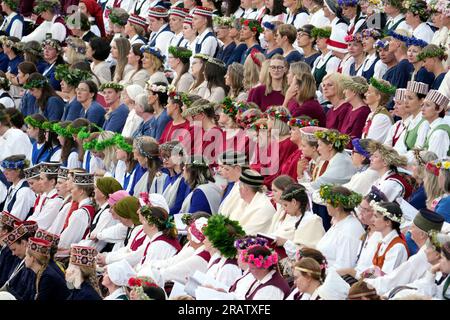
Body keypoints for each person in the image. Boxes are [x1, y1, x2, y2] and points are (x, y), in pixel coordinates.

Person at [365, 209, 444, 296]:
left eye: (413, 227)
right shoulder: (432, 251)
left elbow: (393, 280)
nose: (409, 230)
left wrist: (365, 284)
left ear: (422, 235)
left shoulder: (422, 256)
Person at [316, 184, 365, 269]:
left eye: (327, 203)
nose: (326, 205)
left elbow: (344, 266)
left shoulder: (349, 230)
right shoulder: (340, 222)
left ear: (337, 207)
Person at [275, 184, 325, 255]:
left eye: (285, 205)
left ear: (294, 202)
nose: (284, 208)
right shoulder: (293, 218)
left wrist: (285, 243)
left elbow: (309, 253)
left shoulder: (313, 220)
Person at [78, 176, 123, 252]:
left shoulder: (108, 213)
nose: (94, 190)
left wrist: (74, 250)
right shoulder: (102, 210)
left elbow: (96, 244)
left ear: (103, 193)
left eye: (96, 188)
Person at [135, 206, 181, 275]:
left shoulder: (159, 245)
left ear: (152, 225)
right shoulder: (160, 240)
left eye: (144, 221)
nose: (142, 225)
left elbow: (148, 273)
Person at [57, 172, 96, 255]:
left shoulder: (80, 213)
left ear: (81, 191)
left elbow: (65, 242)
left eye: (73, 188)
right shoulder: (89, 207)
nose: (70, 190)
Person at [227, 169, 275, 235]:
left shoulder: (263, 208)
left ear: (246, 189)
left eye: (240, 186)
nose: (239, 189)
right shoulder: (244, 201)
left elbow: (247, 234)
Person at [203, 214, 245, 287]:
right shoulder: (221, 260)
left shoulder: (229, 268)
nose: (203, 241)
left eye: (206, 238)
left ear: (215, 242)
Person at [368, 201, 409, 275]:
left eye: (376, 216)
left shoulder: (397, 247)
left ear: (388, 222)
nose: (372, 219)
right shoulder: (383, 241)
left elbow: (385, 278)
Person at [1, 221, 38, 300]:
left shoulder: (32, 266)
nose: (13, 254)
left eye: (14, 249)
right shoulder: (19, 257)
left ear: (24, 243)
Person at [28, 162, 64, 231]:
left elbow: (41, 224)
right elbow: (34, 216)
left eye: (41, 179)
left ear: (52, 181)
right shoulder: (44, 196)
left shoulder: (57, 201)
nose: (39, 182)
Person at [159, 141, 190, 215]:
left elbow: (178, 206)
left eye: (167, 157)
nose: (164, 160)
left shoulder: (184, 179)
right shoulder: (169, 178)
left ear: (179, 156)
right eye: (163, 157)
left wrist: (160, 215)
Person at [0, 155, 35, 220]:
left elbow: (15, 219)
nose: (5, 173)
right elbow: (5, 213)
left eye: (9, 170)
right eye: (4, 169)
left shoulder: (24, 191)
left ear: (19, 171)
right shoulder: (12, 188)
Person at [339, 76, 371, 141]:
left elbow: (354, 139)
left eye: (346, 89)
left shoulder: (363, 112)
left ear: (354, 91)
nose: (343, 92)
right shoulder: (349, 108)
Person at [421, 90, 450, 159]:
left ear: (439, 109)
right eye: (422, 105)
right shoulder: (433, 127)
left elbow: (435, 163)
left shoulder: (439, 133)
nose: (422, 108)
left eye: (427, 105)